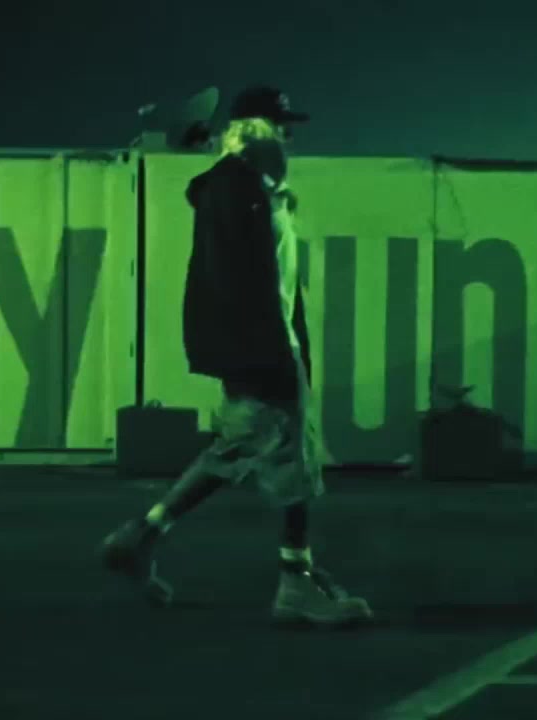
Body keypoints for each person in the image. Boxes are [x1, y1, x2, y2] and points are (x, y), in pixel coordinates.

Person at [99, 86, 373, 627]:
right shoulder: (237, 187)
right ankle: (296, 583)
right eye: (281, 125)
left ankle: (140, 537)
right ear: (255, 129)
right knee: (293, 462)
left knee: (236, 446)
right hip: (261, 348)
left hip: (259, 344)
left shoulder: (254, 188)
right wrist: (266, 353)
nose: (290, 136)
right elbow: (234, 279)